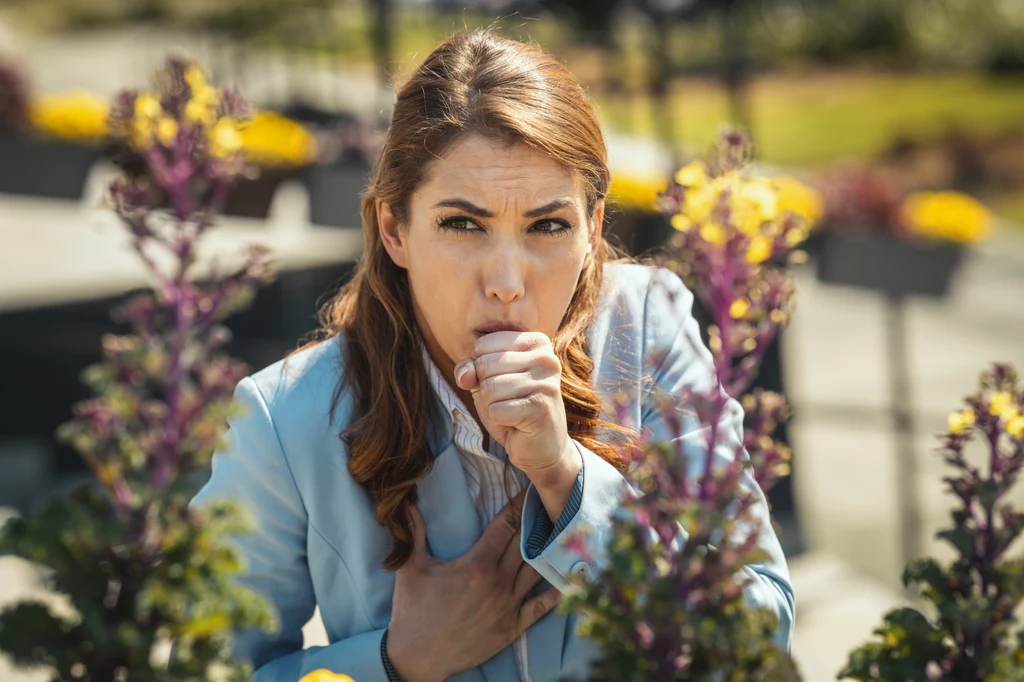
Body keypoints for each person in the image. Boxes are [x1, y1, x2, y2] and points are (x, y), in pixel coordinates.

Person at [191, 29, 794, 682]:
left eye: (548, 225)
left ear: (592, 231)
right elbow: (203, 666)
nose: (507, 280)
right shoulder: (284, 419)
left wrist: (567, 478)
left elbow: (760, 628)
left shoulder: (649, 325)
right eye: (462, 224)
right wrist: (395, 664)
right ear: (394, 227)